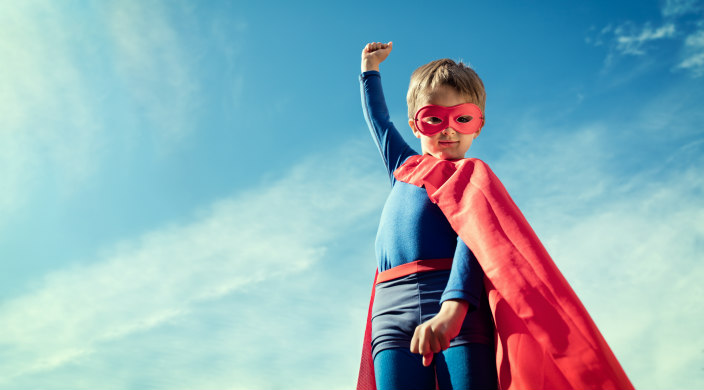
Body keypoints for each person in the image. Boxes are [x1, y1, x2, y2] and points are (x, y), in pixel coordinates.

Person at [357, 41, 634, 390]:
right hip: (390, 311)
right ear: (415, 124)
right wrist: (370, 69)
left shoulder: (471, 177)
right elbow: (379, 120)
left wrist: (452, 310)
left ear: (479, 126)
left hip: (457, 305)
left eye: (462, 118)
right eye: (434, 119)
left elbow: (475, 240)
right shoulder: (403, 166)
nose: (449, 129)